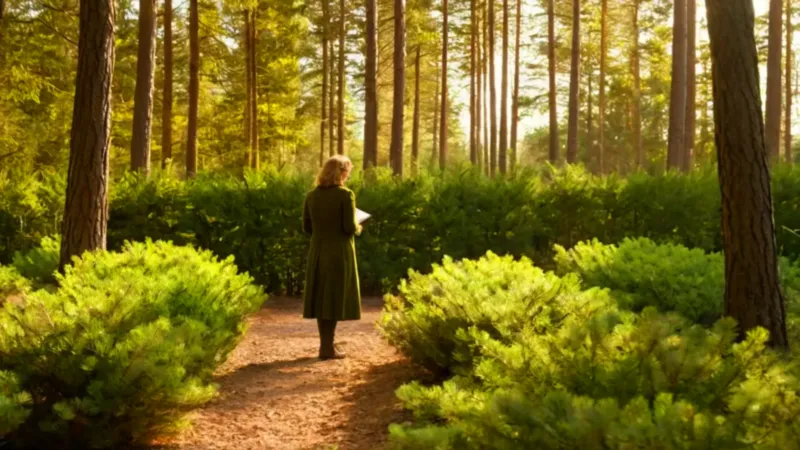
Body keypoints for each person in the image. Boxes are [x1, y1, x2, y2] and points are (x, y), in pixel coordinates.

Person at [302, 155, 362, 360]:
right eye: (347, 172)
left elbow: (307, 227)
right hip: (339, 252)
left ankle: (326, 345)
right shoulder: (346, 195)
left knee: (322, 298)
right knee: (334, 296)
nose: (348, 176)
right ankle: (327, 348)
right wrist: (359, 225)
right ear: (341, 172)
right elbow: (348, 227)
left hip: (318, 251)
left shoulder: (311, 195)